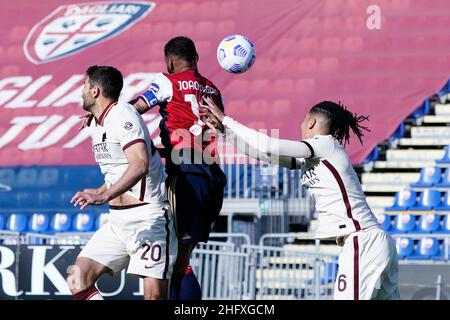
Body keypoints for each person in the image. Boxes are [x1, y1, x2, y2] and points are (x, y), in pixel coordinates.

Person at [200, 97, 400, 300]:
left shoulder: (324, 144)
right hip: (371, 240)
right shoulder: (318, 155)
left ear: (312, 122)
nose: (301, 126)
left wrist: (226, 120)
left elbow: (270, 145)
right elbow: (263, 154)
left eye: (303, 121)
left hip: (362, 241)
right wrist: (226, 133)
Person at [67, 65, 177, 300]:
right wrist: (100, 189)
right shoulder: (97, 124)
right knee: (78, 278)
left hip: (148, 219)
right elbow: (117, 171)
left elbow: (139, 164)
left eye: (84, 86)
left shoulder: (124, 114)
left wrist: (102, 196)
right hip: (117, 222)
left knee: (154, 298)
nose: (81, 92)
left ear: (95, 91)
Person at [130, 36, 227, 300]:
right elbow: (212, 132)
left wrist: (105, 114)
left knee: (176, 260)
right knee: (182, 256)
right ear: (196, 59)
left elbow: (134, 109)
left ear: (170, 61)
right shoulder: (212, 88)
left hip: (186, 176)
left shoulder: (166, 81)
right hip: (212, 176)